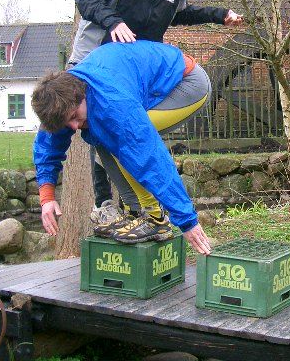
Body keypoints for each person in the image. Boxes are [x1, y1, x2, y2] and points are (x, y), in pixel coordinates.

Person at [67, 0, 242, 223]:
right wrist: (113, 20)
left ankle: (141, 210)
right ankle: (105, 203)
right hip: (93, 57)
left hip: (132, 69)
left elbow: (180, 14)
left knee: (125, 128)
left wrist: (218, 14)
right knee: (99, 125)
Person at [32, 41, 212, 254]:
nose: (73, 127)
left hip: (185, 84)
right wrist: (47, 197)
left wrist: (186, 220)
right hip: (132, 82)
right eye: (66, 124)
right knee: (99, 136)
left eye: (73, 117)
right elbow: (47, 146)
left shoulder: (113, 104)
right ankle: (135, 213)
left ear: (81, 95)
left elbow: (150, 158)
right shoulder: (61, 102)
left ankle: (155, 218)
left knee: (121, 142)